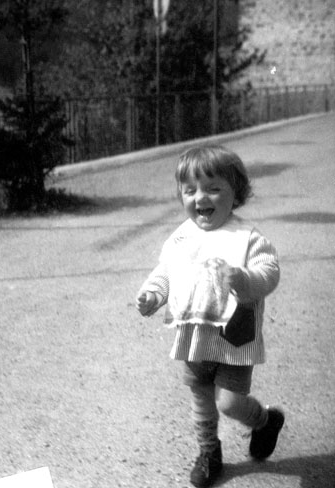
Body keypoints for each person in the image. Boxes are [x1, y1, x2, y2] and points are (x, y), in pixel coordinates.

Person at [135, 145, 284, 488]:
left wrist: (245, 279)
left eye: (213, 188)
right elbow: (166, 271)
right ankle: (209, 452)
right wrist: (154, 294)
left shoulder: (247, 237)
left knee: (229, 403)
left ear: (236, 193)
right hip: (194, 335)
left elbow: (269, 272)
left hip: (234, 337)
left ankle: (264, 421)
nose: (200, 197)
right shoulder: (182, 236)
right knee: (201, 396)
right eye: (190, 190)